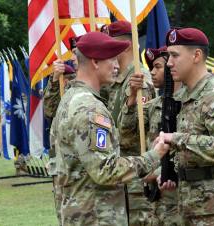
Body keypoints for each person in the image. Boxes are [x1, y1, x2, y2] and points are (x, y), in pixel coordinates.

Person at [51, 31, 170, 226]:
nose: (117, 65)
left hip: (82, 212)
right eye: (112, 59)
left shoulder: (71, 98)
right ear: (95, 62)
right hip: (96, 216)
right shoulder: (89, 109)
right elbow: (105, 171)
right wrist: (153, 155)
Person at [157, 28, 214, 225]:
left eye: (174, 55)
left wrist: (176, 138)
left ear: (196, 55)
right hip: (189, 202)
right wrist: (167, 171)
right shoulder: (184, 95)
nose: (169, 63)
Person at [119, 46, 184, 225]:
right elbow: (125, 134)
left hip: (180, 193)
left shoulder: (188, 104)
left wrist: (162, 172)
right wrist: (132, 97)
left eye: (158, 67)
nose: (153, 72)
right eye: (152, 67)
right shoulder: (154, 105)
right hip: (155, 194)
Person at [100, 21, 156, 225]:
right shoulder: (118, 81)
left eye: (110, 45)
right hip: (122, 173)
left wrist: (132, 100)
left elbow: (139, 131)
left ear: (125, 46)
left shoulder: (140, 81)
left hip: (137, 177)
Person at [44, 36, 77, 224]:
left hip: (82, 162)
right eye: (73, 51)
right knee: (64, 215)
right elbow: (49, 110)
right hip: (61, 161)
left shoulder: (102, 80)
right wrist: (55, 80)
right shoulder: (67, 77)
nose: (74, 56)